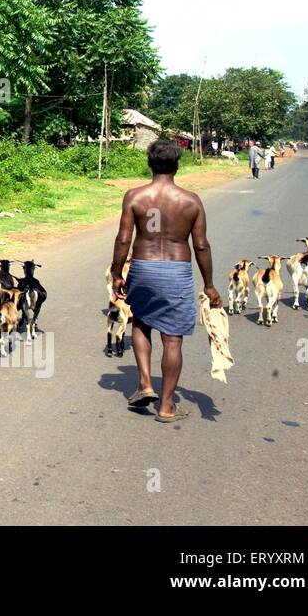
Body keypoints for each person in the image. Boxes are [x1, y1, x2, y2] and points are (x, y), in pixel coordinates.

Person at [109, 139, 222, 422]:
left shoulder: (134, 196)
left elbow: (124, 238)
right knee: (172, 339)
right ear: (177, 165)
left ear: (150, 163)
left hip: (143, 268)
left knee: (142, 323)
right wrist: (209, 285)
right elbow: (201, 246)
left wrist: (116, 273)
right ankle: (166, 406)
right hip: (175, 272)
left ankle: (146, 383)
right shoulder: (191, 201)